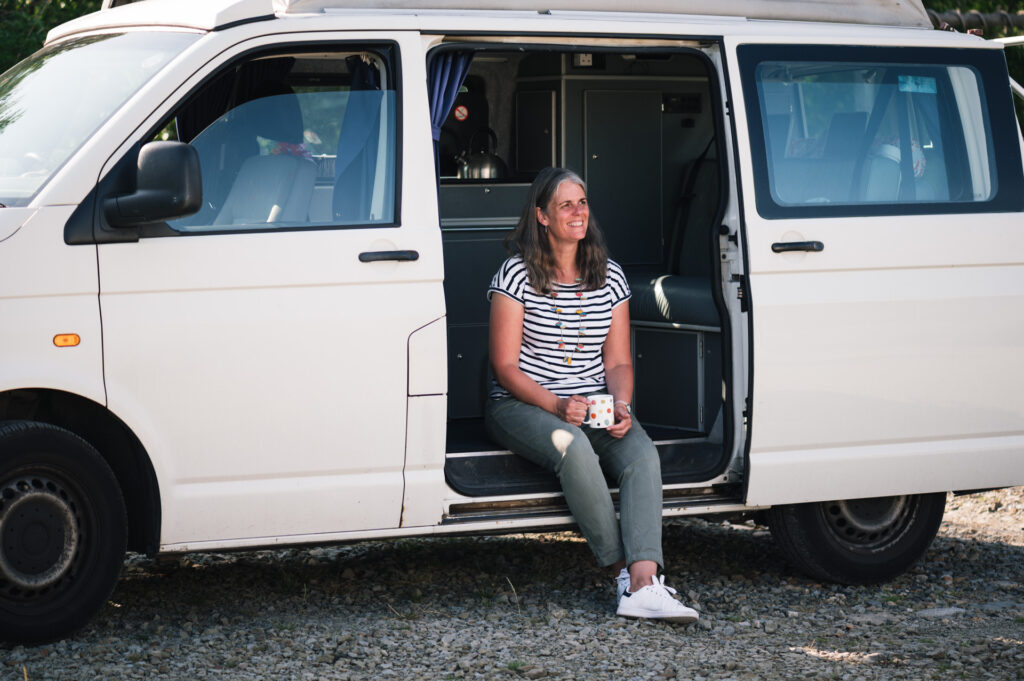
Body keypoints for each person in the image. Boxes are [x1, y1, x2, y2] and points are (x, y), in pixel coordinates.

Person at [484, 167, 699, 623]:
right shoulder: (516, 274)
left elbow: (618, 362)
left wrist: (621, 404)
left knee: (640, 453)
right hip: (522, 403)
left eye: (582, 202)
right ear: (542, 216)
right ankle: (623, 574)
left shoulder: (610, 275)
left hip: (589, 402)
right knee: (573, 446)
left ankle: (645, 583)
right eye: (566, 204)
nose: (578, 212)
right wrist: (558, 406)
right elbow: (504, 367)